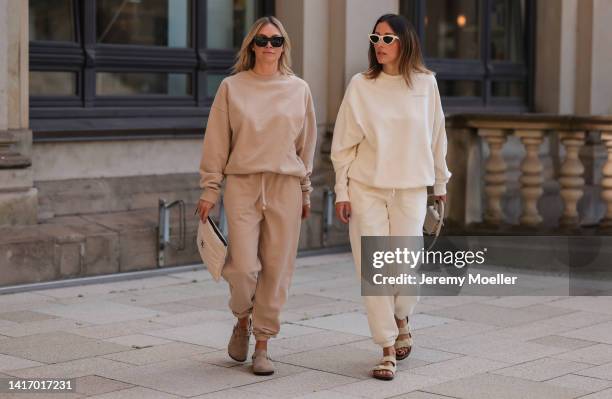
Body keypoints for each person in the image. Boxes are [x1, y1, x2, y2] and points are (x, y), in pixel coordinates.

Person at [331, 13, 451, 381]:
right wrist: (341, 190)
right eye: (375, 38)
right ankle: (386, 348)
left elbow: (437, 137)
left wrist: (441, 185)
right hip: (366, 187)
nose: (379, 45)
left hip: (412, 189)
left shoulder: (426, 84)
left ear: (405, 42)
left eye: (387, 38)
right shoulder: (361, 85)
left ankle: (402, 318)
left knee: (407, 265)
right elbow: (343, 144)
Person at [196, 16, 317, 376]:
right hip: (243, 185)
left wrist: (306, 191)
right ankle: (241, 318)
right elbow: (217, 141)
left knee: (277, 269)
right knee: (244, 267)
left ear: (284, 46)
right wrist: (209, 189)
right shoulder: (232, 87)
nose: (268, 47)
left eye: (275, 41)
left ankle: (262, 343)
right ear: (251, 46)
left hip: (286, 186)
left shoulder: (300, 89)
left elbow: (305, 145)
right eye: (261, 41)